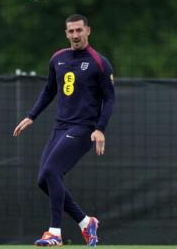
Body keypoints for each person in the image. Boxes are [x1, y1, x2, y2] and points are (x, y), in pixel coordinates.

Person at [13, 13, 115, 247]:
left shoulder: (99, 62)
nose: (75, 35)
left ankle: (55, 233)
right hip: (60, 126)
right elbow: (49, 90)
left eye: (79, 30)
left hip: (84, 128)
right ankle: (85, 222)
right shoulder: (58, 58)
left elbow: (109, 99)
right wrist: (31, 116)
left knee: (51, 170)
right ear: (66, 33)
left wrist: (100, 129)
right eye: (71, 31)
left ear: (88, 31)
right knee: (43, 180)